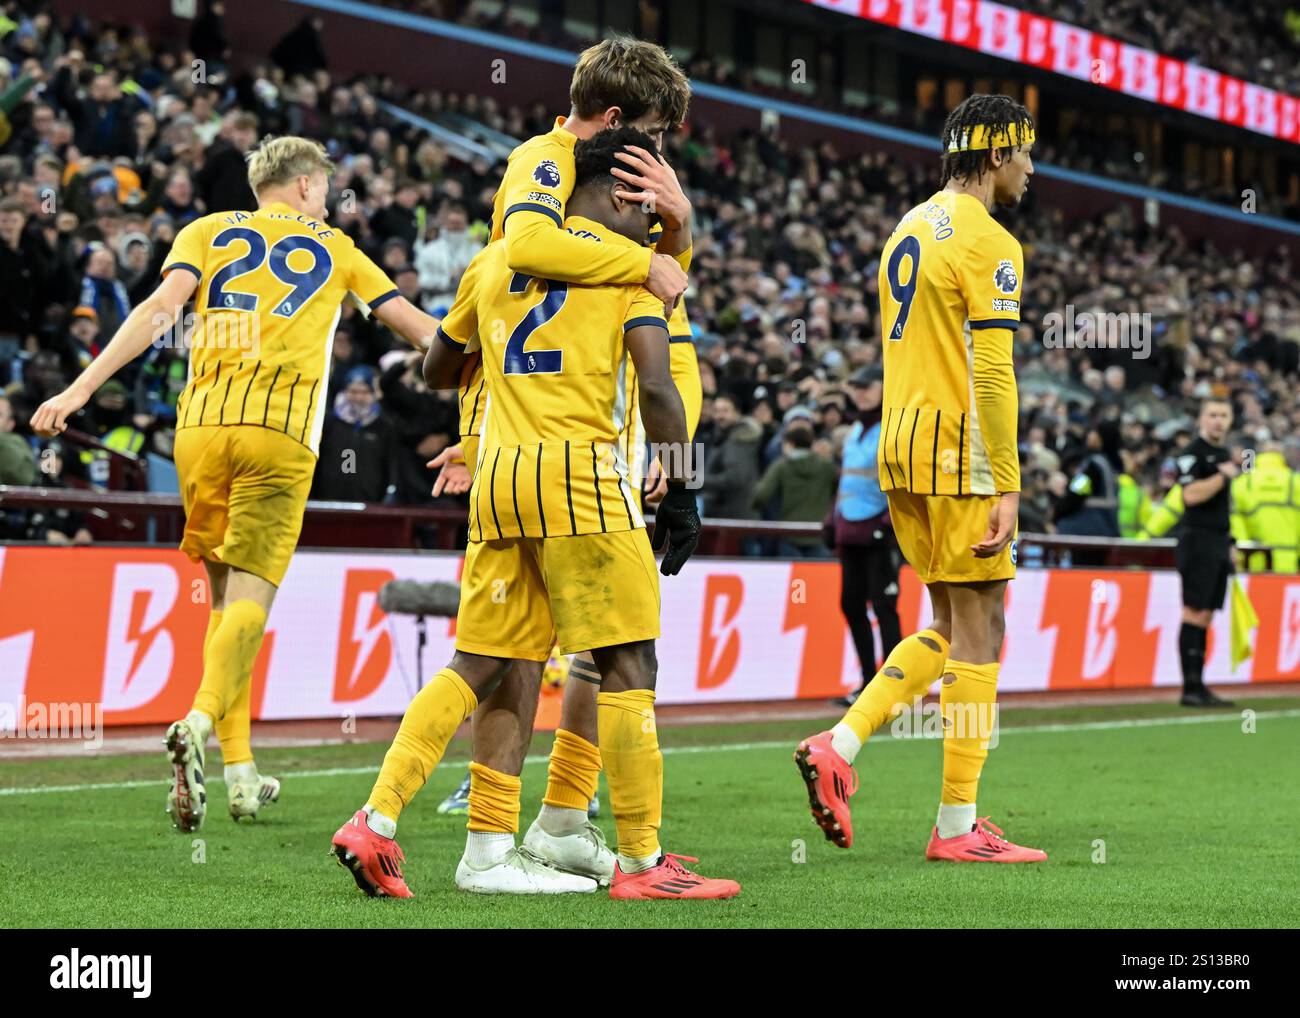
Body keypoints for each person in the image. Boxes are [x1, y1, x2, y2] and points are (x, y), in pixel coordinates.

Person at [331, 127, 739, 902]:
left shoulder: (495, 261)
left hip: (500, 476)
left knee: (483, 662)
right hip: (581, 477)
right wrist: (683, 486)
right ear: (623, 194)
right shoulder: (630, 275)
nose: (651, 230)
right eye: (646, 213)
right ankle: (645, 864)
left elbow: (438, 365)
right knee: (627, 659)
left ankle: (378, 823)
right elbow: (657, 387)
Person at [32, 135, 443, 831]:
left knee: (224, 606)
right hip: (276, 432)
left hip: (199, 430)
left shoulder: (206, 229)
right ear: (310, 188)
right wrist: (497, 364)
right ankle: (195, 720)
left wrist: (78, 389)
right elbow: (419, 333)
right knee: (252, 598)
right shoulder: (336, 248)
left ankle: (242, 775)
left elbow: (157, 314)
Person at [424, 37, 701, 883]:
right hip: (576, 457)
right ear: (617, 122)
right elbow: (539, 256)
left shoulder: (610, 198)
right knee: (612, 655)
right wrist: (654, 254)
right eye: (655, 136)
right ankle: (628, 853)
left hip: (529, 457)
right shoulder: (545, 163)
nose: (660, 162)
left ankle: (533, 831)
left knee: (521, 659)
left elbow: (445, 356)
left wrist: (677, 233)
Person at [795, 94, 1047, 863]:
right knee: (983, 631)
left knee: (943, 624)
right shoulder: (991, 241)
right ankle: (958, 825)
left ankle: (840, 743)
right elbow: (994, 372)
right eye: (1026, 154)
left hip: (899, 446)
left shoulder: (909, 225)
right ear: (998, 154)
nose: (1032, 169)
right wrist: (1008, 479)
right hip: (959, 447)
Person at [831, 366, 901, 706]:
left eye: (866, 386)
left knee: (884, 606)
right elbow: (848, 479)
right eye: (855, 386)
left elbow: (903, 481)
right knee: (852, 604)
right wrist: (833, 519)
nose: (860, 392)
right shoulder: (856, 428)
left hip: (880, 534)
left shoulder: (893, 426)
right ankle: (868, 683)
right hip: (852, 532)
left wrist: (889, 522)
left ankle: (893, 688)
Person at [1173, 399, 1238, 707]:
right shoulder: (1191, 454)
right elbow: (1190, 496)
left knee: (1207, 614)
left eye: (1223, 415)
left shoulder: (1224, 455)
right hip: (1196, 539)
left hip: (1217, 541)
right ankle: (1191, 687)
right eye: (1213, 414)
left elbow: (1222, 506)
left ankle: (1200, 686)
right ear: (1201, 418)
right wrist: (1223, 475)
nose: (1218, 421)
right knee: (1194, 611)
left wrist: (1231, 542)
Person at [750, 420, 836, 557]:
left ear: (789, 444)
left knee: (794, 578)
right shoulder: (827, 466)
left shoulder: (782, 466)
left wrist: (754, 507)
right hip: (819, 534)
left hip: (790, 534)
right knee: (820, 577)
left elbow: (760, 496)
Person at [1230, 438, 1300, 573]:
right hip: (1290, 562)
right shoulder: (1295, 482)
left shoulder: (1243, 483)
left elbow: (1235, 523)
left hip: (1253, 562)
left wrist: (1242, 555)